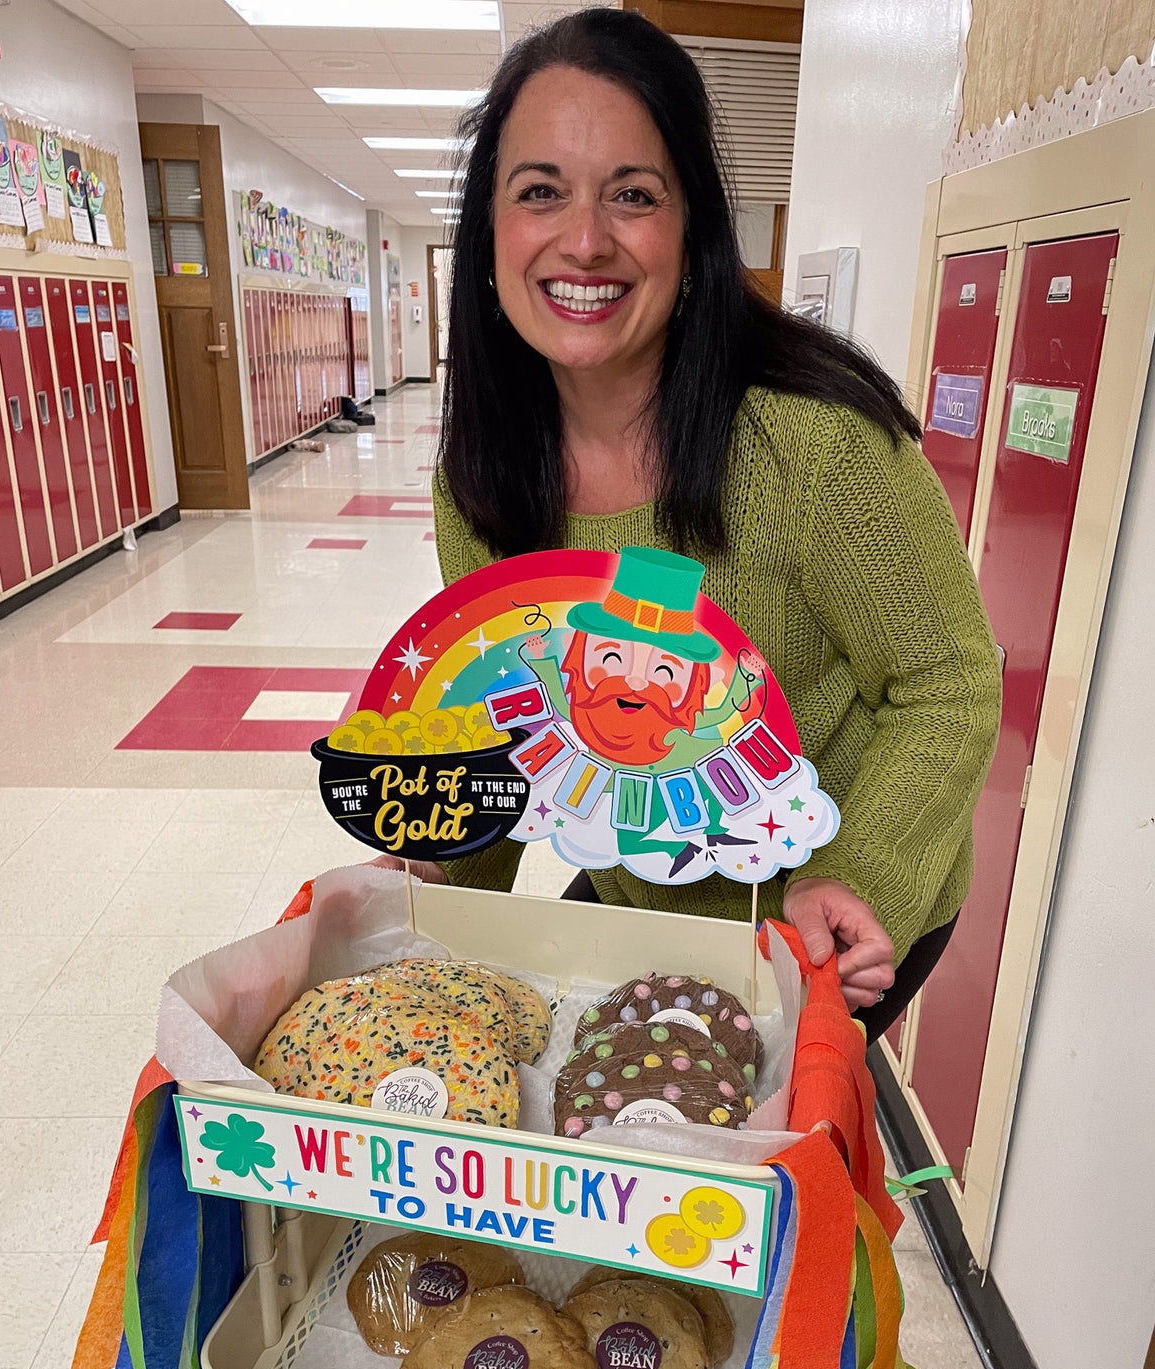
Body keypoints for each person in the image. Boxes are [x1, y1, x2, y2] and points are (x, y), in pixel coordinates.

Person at [379, 7, 1002, 1041]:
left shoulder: (816, 446)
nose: (585, 240)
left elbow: (947, 681)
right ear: (491, 228)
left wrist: (864, 877)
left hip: (822, 908)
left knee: (735, 1167)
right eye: (540, 193)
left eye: (633, 195)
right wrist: (437, 862)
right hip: (643, 884)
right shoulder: (483, 477)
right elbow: (507, 711)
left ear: (693, 228)